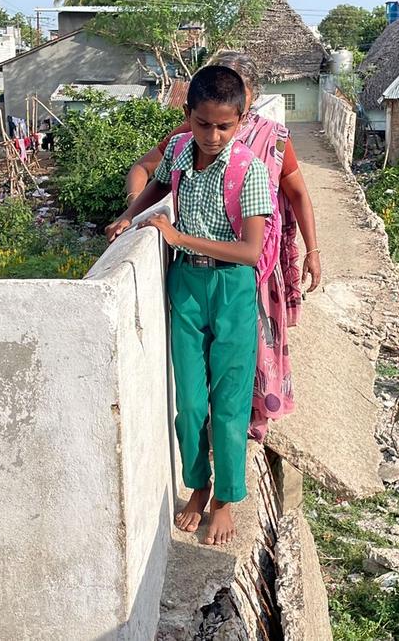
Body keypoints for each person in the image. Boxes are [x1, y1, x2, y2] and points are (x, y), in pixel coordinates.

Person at [107, 52, 322, 442]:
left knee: (252, 350)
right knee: (203, 369)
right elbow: (151, 173)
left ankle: (247, 425)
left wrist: (314, 251)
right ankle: (210, 439)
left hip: (254, 260)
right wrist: (133, 212)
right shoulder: (189, 138)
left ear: (246, 102)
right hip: (196, 271)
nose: (214, 131)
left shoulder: (270, 138)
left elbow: (298, 194)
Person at [124, 66, 270, 545]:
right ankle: (199, 487)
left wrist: (178, 236)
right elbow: (157, 185)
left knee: (227, 405)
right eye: (203, 123)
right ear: (188, 115)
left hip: (231, 289)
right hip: (185, 284)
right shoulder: (182, 153)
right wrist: (128, 216)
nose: (212, 135)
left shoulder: (249, 170)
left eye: (224, 125)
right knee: (189, 403)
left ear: (242, 120)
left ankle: (226, 499)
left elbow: (250, 251)